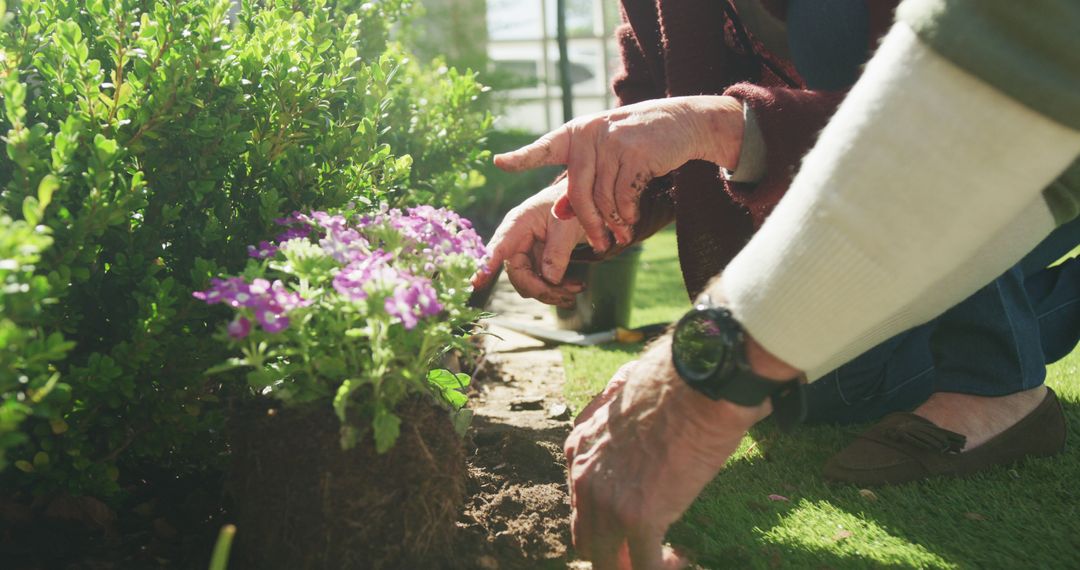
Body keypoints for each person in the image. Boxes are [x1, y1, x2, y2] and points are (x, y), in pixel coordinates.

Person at [475, 0, 1080, 567]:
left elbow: (965, 118)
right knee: (827, 386)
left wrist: (697, 382)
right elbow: (652, 114)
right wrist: (590, 196)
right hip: (940, 170)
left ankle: (995, 380)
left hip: (1042, 143)